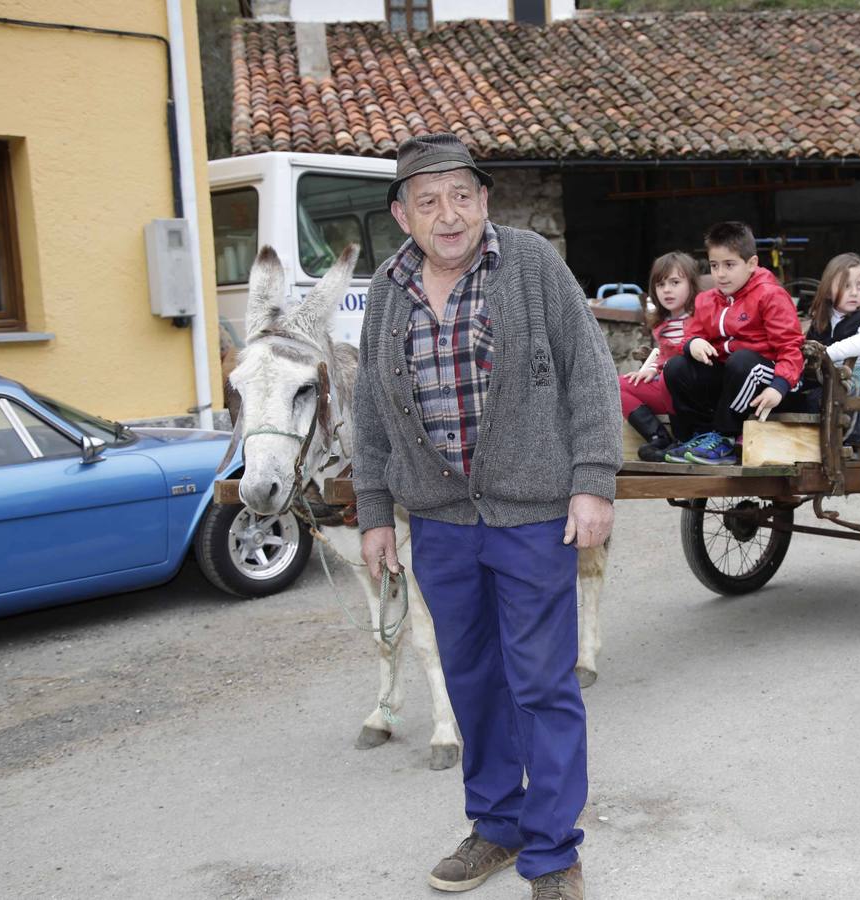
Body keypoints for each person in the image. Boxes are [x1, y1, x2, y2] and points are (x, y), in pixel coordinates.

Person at [352, 133, 620, 900]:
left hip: (534, 515)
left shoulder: (530, 263)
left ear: (484, 202)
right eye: (429, 201)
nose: (449, 214)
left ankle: (553, 853)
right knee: (471, 681)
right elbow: (369, 411)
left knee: (541, 684)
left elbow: (590, 372)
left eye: (462, 196)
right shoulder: (385, 293)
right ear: (403, 215)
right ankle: (497, 827)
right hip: (438, 522)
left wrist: (593, 481)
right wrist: (375, 510)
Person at [661, 222, 805, 466]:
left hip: (773, 381)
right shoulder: (707, 300)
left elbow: (791, 347)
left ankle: (725, 437)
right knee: (676, 367)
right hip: (734, 380)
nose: (720, 274)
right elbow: (689, 335)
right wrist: (693, 343)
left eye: (730, 265)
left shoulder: (770, 295)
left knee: (742, 361)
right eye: (714, 265)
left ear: (751, 264)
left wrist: (778, 387)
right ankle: (699, 435)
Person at [802, 253, 860, 445]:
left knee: (824, 399)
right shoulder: (822, 319)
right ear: (827, 291)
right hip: (836, 381)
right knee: (803, 397)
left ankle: (834, 443)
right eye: (846, 286)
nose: (854, 292)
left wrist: (828, 353)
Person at [621, 252, 697, 461]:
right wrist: (651, 369)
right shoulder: (662, 324)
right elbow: (665, 355)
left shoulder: (700, 318)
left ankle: (681, 438)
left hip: (688, 394)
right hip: (665, 389)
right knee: (615, 384)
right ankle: (659, 436)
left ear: (691, 284)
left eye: (675, 282)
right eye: (661, 284)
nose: (667, 290)